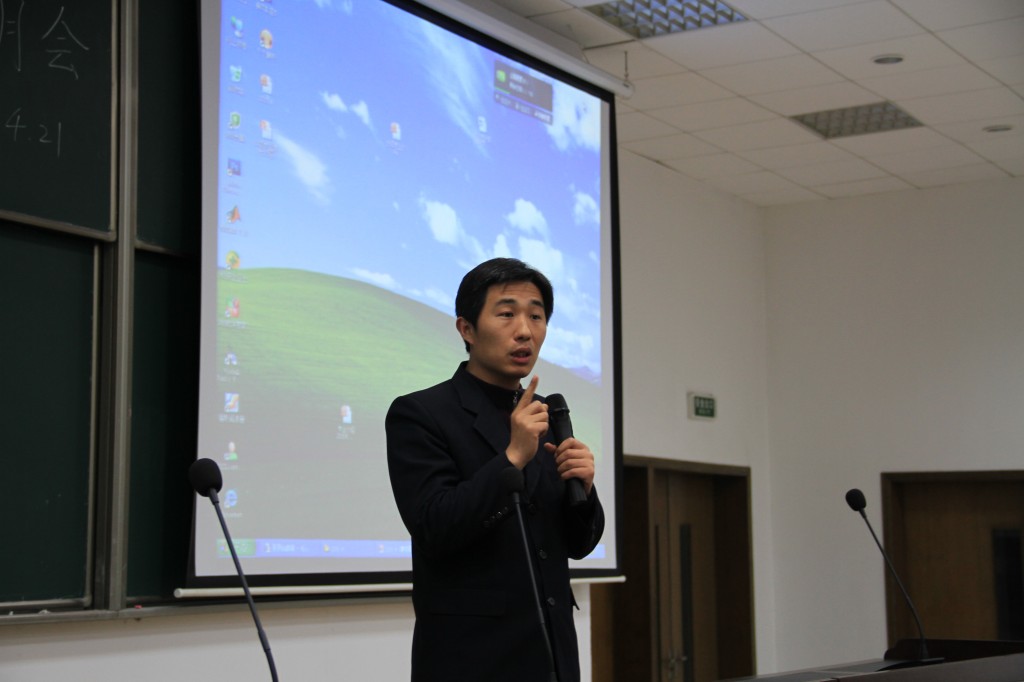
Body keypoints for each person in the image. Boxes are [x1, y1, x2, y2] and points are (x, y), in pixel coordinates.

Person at [386, 257, 605, 682]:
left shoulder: (544, 417)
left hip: (553, 654)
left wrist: (584, 489)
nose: (525, 330)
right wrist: (511, 458)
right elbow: (434, 526)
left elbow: (578, 545)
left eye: (536, 316)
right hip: (471, 659)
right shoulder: (422, 413)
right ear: (466, 329)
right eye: (506, 314)